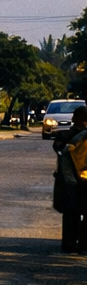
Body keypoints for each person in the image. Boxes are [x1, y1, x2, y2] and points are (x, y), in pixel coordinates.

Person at [53, 106, 87, 253]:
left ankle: (69, 244)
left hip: (68, 181)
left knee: (70, 213)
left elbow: (58, 149)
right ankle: (84, 245)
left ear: (74, 119)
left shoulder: (64, 136)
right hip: (85, 180)